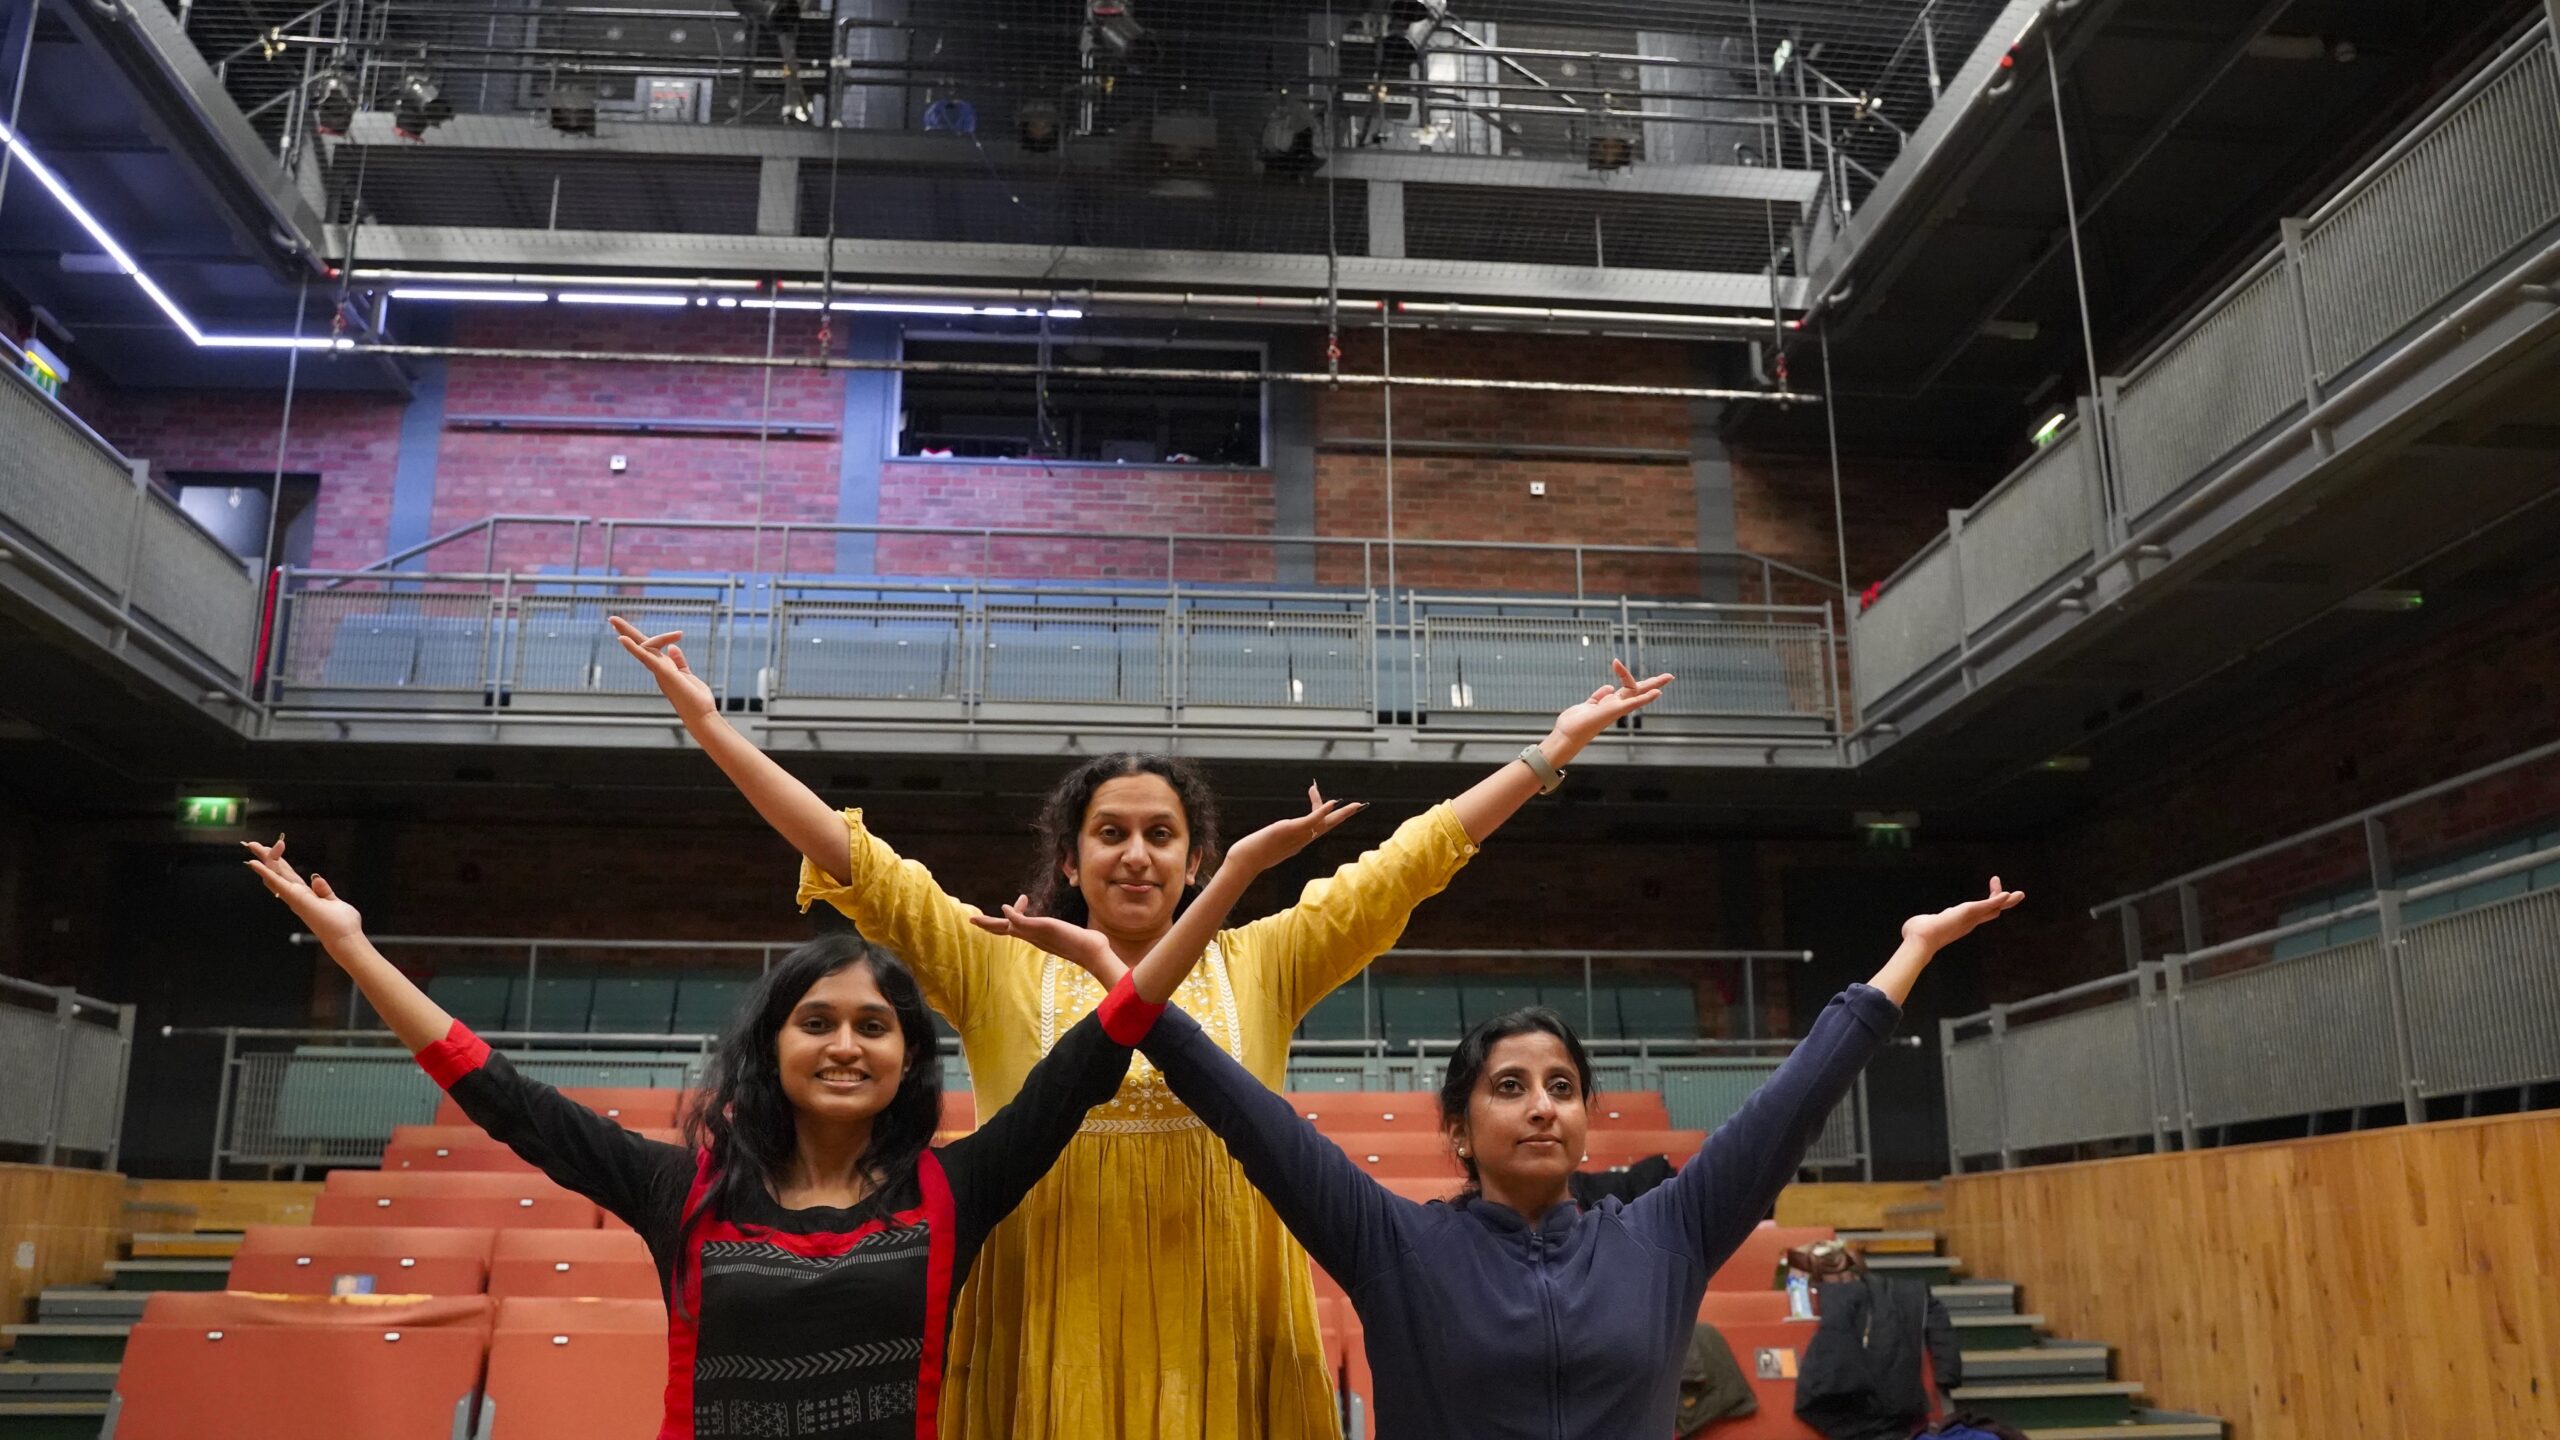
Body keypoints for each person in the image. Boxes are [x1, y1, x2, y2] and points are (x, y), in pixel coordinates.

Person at [607, 613, 1670, 1440]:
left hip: (1226, 1309)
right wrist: (711, 728)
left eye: (1161, 835)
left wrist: (1547, 752)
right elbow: (852, 861)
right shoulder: (992, 956)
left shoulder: (1266, 956)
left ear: (1197, 860)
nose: (1135, 854)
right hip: (1046, 1307)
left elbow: (1410, 861)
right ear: (1067, 860)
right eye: (1108, 834)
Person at [234, 792, 1355, 1440]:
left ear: (908, 1059)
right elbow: (500, 1095)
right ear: (773, 1047)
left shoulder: (952, 1190)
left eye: (876, 1026)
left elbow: (1114, 1033)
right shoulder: (686, 1193)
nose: (845, 1043)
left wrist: (1237, 874)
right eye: (817, 1021)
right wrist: (357, 954)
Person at [982, 877, 2025, 1440]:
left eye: (1562, 1089)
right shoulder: (1391, 1244)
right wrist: (1118, 974)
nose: (1539, 1109)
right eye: (1509, 1087)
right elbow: (1233, 1101)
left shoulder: (1668, 1234)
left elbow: (1793, 1102)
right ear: (1460, 1124)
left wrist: (1912, 953)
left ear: (1586, 1120)